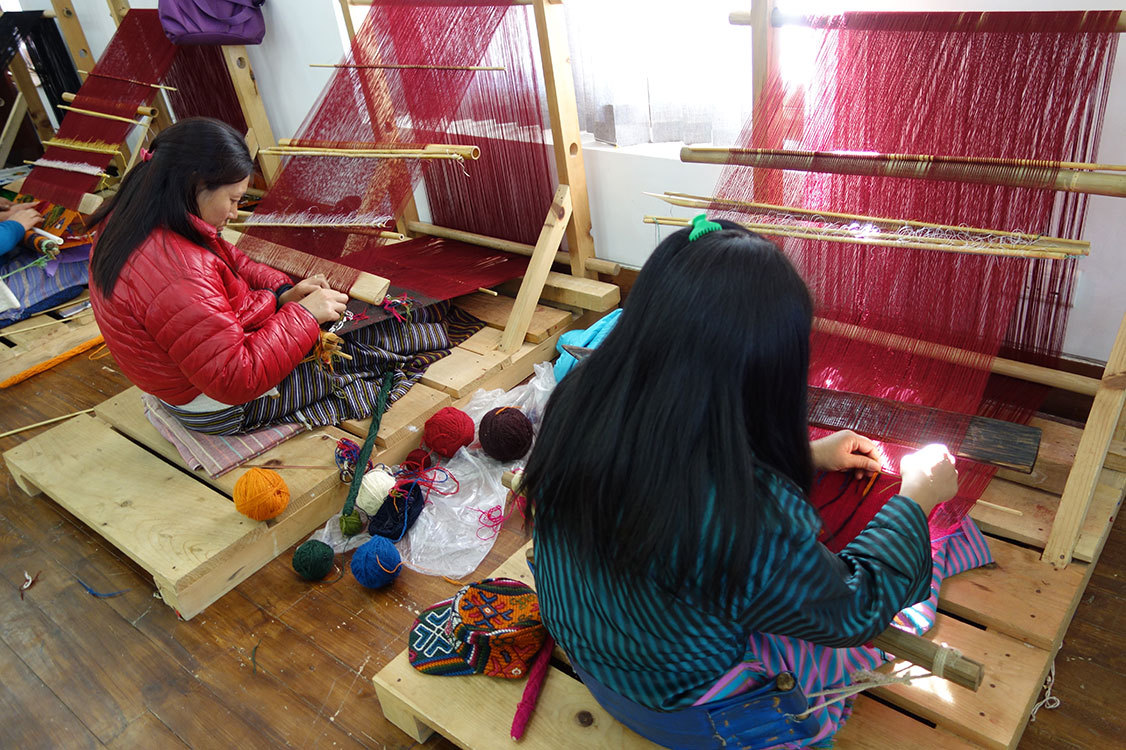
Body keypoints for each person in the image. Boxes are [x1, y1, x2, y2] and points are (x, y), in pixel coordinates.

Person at [520, 218, 962, 749]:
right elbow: (853, 610)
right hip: (687, 712)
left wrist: (807, 454)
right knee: (874, 618)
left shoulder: (580, 398)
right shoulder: (746, 514)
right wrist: (916, 498)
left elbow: (660, 462)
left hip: (595, 658)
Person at [89, 118, 457, 434]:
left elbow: (230, 259)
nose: (236, 213)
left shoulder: (133, 218)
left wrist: (282, 292)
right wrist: (305, 315)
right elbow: (236, 378)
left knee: (370, 333)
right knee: (385, 343)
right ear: (195, 185)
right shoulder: (179, 270)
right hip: (219, 407)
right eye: (234, 199)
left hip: (188, 380)